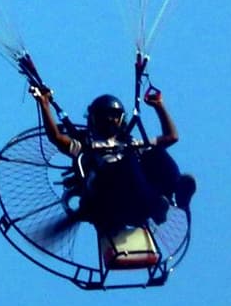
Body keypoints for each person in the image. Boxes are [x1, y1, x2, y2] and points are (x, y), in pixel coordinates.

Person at [28, 78, 195, 235]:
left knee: (155, 152)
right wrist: (44, 104)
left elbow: (171, 137)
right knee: (127, 161)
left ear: (120, 119)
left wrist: (159, 106)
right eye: (104, 115)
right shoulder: (85, 145)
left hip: (139, 200)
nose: (109, 119)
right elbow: (57, 138)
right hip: (108, 199)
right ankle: (154, 205)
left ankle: (174, 192)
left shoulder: (130, 143)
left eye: (114, 115)